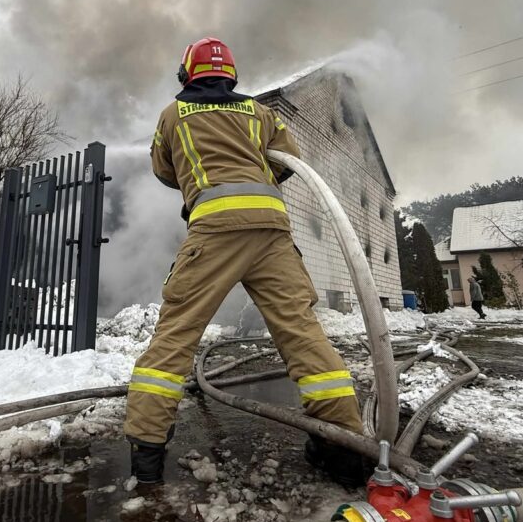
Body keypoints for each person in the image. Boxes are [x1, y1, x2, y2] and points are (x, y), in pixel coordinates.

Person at [123, 37, 368, 487]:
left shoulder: (173, 114)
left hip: (213, 231)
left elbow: (163, 170)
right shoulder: (259, 112)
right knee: (301, 329)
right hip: (272, 230)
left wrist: (201, 174)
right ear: (231, 75)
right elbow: (289, 161)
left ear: (187, 75)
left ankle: (147, 453)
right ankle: (346, 444)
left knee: (176, 333)